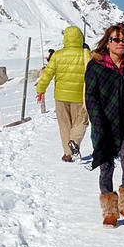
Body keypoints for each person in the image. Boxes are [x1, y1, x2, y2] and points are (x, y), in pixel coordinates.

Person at [85, 23, 124, 228]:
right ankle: (109, 210)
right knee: (106, 166)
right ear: (107, 42)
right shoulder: (96, 66)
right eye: (115, 39)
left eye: (123, 40)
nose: (120, 43)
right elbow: (91, 97)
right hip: (104, 124)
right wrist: (97, 121)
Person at [35, 26, 90, 162]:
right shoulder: (86, 54)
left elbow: (47, 74)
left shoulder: (57, 55)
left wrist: (41, 89)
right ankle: (75, 141)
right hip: (80, 96)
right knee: (81, 121)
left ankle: (67, 153)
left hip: (61, 96)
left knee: (64, 124)